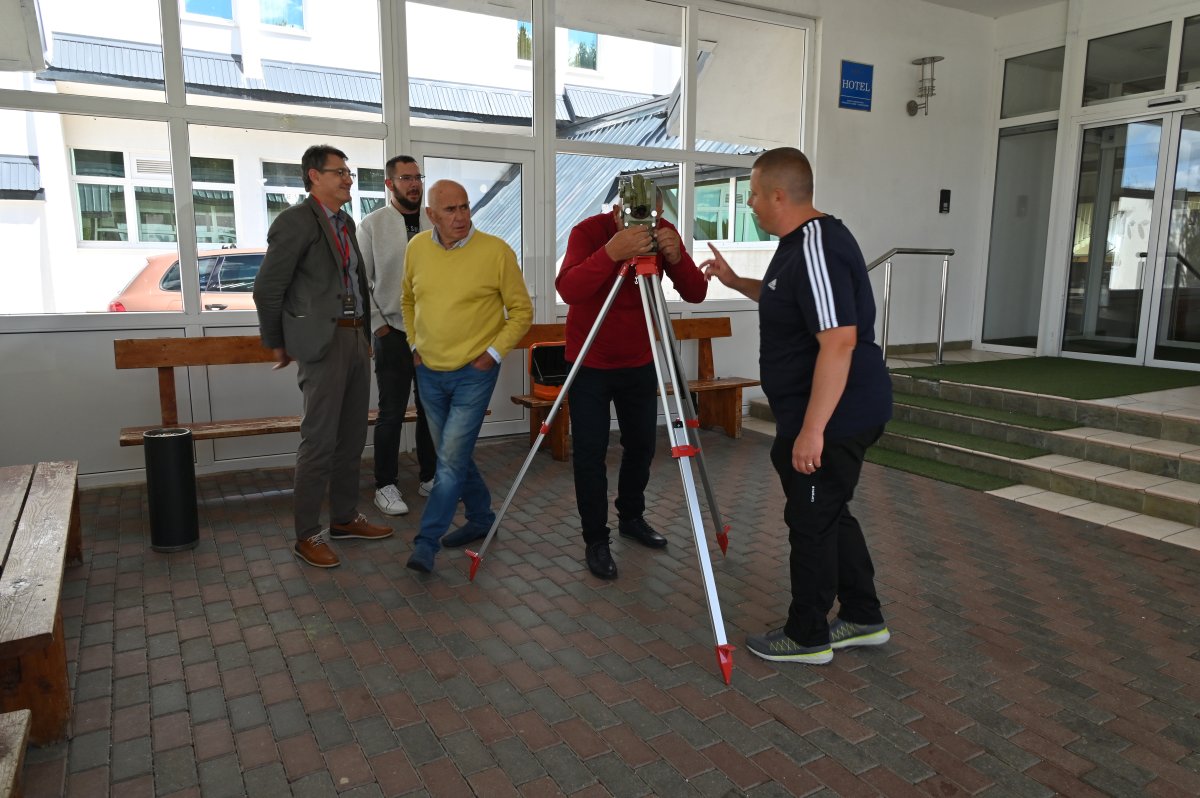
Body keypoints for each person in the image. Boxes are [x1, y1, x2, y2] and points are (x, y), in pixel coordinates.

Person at [702, 146, 892, 665]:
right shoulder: (798, 245)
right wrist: (732, 281)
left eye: (753, 195)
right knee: (827, 512)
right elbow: (785, 298)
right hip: (822, 412)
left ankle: (807, 636)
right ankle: (863, 615)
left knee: (810, 521)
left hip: (834, 415)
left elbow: (840, 341)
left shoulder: (816, 246)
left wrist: (813, 431)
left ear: (779, 195)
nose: (749, 205)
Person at [253, 144, 393, 568]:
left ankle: (345, 518)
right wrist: (278, 342)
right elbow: (267, 288)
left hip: (354, 339)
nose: (349, 179)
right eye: (340, 172)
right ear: (314, 176)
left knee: (351, 437)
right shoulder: (295, 221)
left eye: (349, 173)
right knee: (319, 442)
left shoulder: (345, 222)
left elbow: (356, 283)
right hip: (322, 343)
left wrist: (365, 336)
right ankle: (307, 535)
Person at [556, 189, 707, 580]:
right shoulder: (589, 232)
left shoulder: (663, 232)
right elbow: (569, 289)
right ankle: (595, 538)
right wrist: (611, 253)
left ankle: (631, 516)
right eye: (630, 213)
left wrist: (677, 258)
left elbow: (696, 293)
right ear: (616, 209)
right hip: (589, 361)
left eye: (648, 214)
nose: (640, 221)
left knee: (641, 445)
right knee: (589, 453)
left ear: (658, 210)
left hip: (640, 360)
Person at [401, 179, 533, 573]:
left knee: (449, 462)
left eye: (465, 206)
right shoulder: (416, 248)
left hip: (474, 374)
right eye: (450, 210)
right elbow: (407, 300)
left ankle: (426, 543)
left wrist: (492, 355)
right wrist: (414, 345)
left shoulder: (496, 251)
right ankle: (481, 518)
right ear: (431, 215)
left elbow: (521, 311)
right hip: (429, 371)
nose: (461, 217)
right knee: (451, 454)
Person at [359, 155, 437, 517]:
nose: (414, 184)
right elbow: (360, 281)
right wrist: (378, 325)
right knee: (391, 412)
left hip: (432, 333)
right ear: (389, 184)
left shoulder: (435, 221)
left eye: (418, 177)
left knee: (430, 408)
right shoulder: (373, 225)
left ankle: (430, 477)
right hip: (391, 332)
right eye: (406, 178)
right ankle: (385, 485)